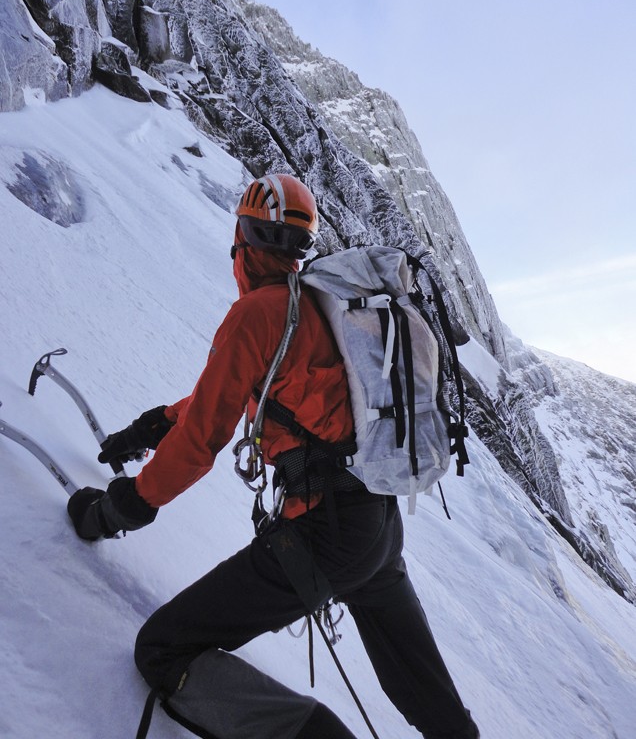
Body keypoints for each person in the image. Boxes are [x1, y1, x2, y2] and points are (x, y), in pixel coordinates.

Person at [68, 173, 480, 739]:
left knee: (163, 648)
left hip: (322, 535)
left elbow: (205, 435)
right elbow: (258, 395)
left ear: (243, 238)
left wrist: (119, 509)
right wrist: (156, 424)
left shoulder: (259, 313)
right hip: (377, 524)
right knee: (426, 693)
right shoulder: (320, 305)